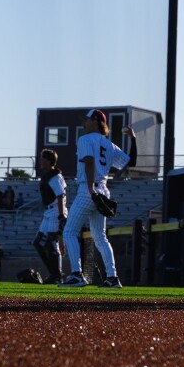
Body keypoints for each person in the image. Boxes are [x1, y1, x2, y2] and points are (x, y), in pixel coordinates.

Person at [59, 110, 136, 289]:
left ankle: (76, 275)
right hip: (103, 190)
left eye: (87, 120)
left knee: (69, 232)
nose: (84, 123)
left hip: (89, 188)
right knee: (100, 237)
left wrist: (91, 188)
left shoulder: (85, 139)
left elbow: (89, 161)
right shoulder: (109, 145)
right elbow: (130, 162)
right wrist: (133, 139)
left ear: (95, 122)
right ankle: (112, 277)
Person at [33, 148, 68, 284]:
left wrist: (61, 216)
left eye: (42, 158)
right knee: (38, 243)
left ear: (49, 160)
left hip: (55, 211)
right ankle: (53, 273)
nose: (40, 161)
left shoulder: (55, 176)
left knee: (50, 243)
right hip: (48, 212)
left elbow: (60, 196)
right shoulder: (48, 175)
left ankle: (57, 274)